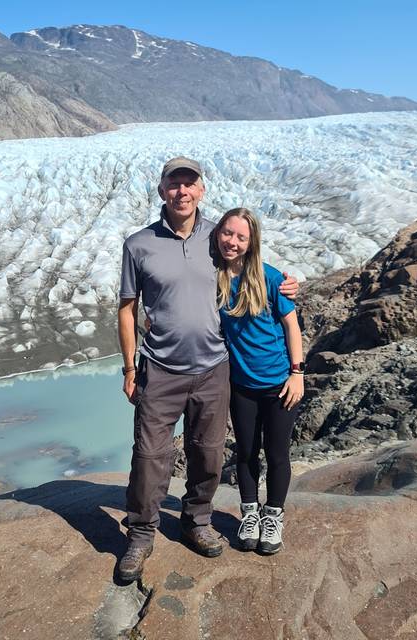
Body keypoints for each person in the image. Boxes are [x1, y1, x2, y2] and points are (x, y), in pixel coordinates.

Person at [117, 157, 298, 581]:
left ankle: (196, 521)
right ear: (162, 190)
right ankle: (141, 533)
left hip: (214, 368)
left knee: (209, 453)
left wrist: (289, 283)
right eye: (174, 184)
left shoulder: (217, 238)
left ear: (201, 190)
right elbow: (127, 309)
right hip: (159, 368)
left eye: (189, 184)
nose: (182, 191)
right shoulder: (138, 244)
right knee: (149, 455)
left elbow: (253, 266)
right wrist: (129, 367)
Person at [214, 207, 304, 554]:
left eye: (240, 236)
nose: (232, 242)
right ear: (218, 234)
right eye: (227, 233)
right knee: (247, 451)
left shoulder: (268, 277)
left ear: (252, 242)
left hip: (279, 383)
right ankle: (249, 514)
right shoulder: (215, 276)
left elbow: (291, 325)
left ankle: (274, 516)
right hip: (242, 386)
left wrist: (297, 373)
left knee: (277, 453)